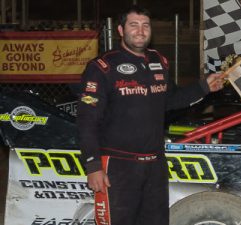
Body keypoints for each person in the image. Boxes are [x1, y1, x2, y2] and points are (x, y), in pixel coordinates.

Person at [77, 5, 224, 225]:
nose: (140, 31)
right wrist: (93, 166)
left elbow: (171, 100)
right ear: (120, 30)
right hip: (118, 167)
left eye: (145, 25)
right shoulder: (102, 67)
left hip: (155, 165)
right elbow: (87, 120)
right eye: (133, 25)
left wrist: (203, 87)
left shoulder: (159, 61)